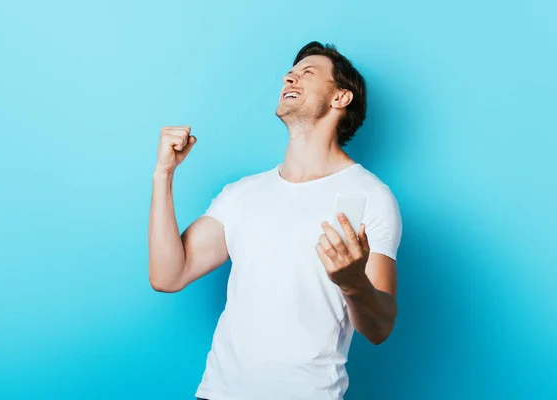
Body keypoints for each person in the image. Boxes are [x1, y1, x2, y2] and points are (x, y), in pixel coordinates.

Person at [148, 41, 403, 400]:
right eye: (291, 73)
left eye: (307, 73)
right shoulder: (241, 195)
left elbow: (380, 327)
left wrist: (352, 283)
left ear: (340, 98)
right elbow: (168, 275)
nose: (290, 77)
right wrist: (163, 174)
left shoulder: (370, 197)